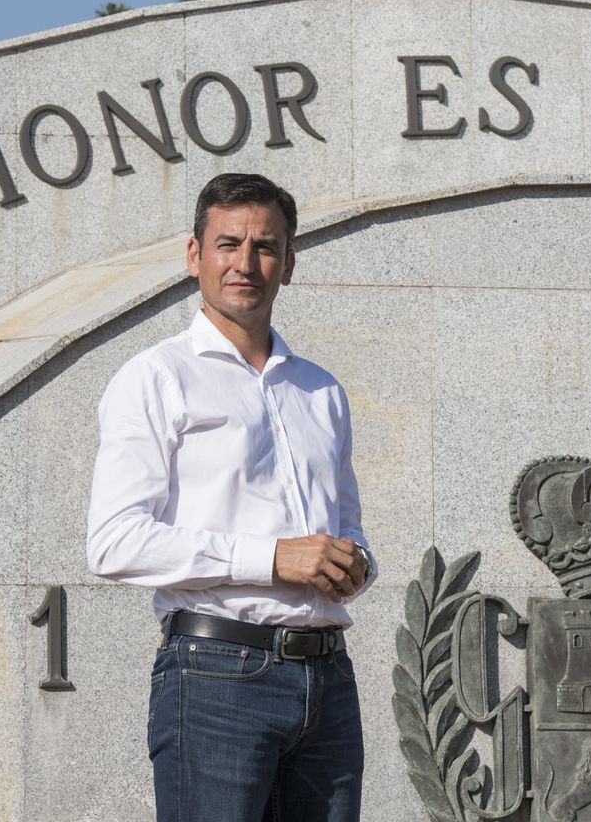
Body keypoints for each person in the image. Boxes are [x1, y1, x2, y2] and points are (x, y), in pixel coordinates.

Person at [86, 172, 375, 822]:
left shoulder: (321, 391)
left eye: (265, 246)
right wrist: (273, 558)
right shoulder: (156, 377)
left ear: (289, 264)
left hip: (327, 679)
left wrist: (355, 563)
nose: (246, 262)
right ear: (195, 256)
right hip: (216, 673)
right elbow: (114, 542)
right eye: (228, 244)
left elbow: (346, 523)